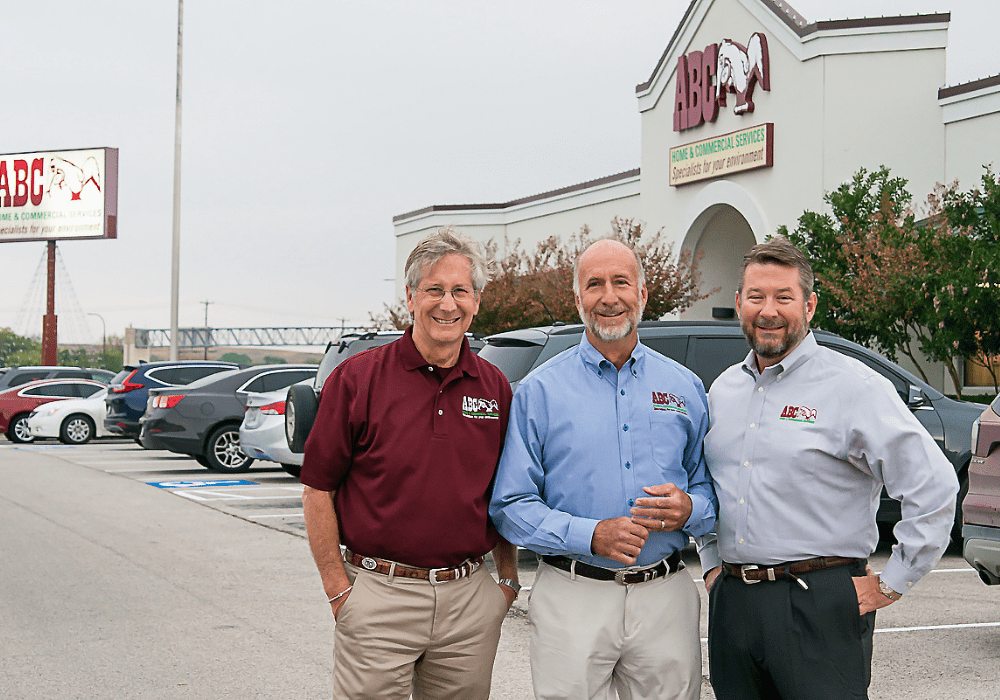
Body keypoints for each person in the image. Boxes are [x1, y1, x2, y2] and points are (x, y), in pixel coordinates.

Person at [700, 235, 959, 700]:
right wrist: (712, 567)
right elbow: (708, 484)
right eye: (756, 296)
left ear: (811, 305)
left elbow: (934, 484)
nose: (769, 310)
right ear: (739, 303)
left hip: (819, 603)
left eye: (784, 296)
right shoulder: (723, 391)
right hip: (733, 604)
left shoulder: (853, 387)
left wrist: (893, 582)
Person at [490, 238, 718, 700]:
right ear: (578, 299)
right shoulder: (539, 392)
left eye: (621, 282)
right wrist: (589, 535)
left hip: (665, 593)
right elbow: (510, 506)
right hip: (572, 594)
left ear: (643, 293)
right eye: (594, 284)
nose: (609, 296)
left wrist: (689, 508)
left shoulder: (685, 386)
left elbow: (713, 489)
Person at [300, 227, 519, 700]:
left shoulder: (495, 387)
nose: (447, 304)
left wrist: (506, 581)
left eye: (460, 291)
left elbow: (507, 491)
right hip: (379, 595)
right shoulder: (357, 380)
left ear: (477, 301)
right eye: (434, 290)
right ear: (410, 297)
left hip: (468, 600)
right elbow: (319, 489)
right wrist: (339, 590)